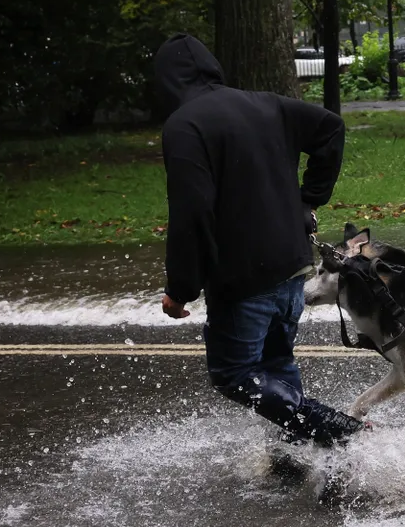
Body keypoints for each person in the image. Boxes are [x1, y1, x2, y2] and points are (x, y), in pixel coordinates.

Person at [154, 34, 364, 447]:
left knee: (234, 374)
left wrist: (180, 289)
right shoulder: (267, 104)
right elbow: (331, 128)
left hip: (242, 278)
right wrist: (309, 198)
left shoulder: (185, 125)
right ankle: (296, 459)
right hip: (292, 265)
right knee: (275, 367)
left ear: (166, 81)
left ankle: (342, 433)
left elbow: (191, 212)